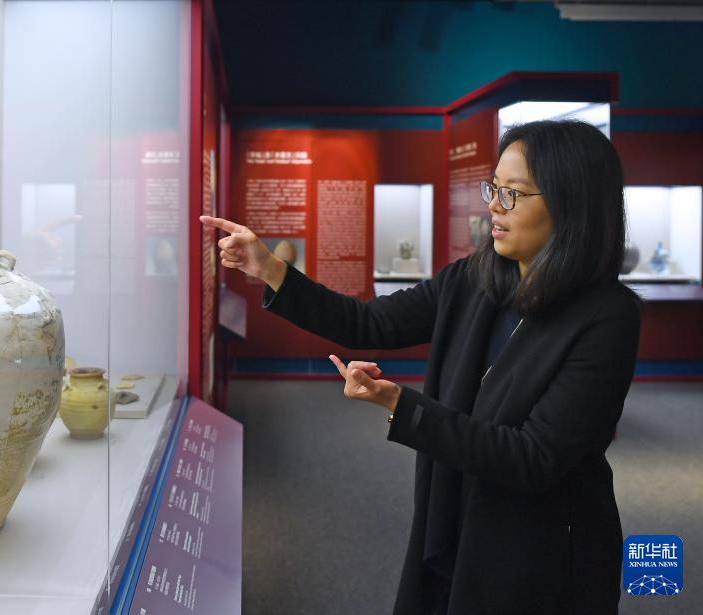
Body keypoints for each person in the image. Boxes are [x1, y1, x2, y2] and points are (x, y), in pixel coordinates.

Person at [202, 119, 640, 614]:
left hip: (542, 550)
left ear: (570, 205)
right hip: (458, 512)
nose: (494, 206)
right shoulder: (474, 280)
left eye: (513, 194)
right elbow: (369, 322)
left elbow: (531, 457)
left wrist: (402, 406)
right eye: (493, 188)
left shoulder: (607, 317)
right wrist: (270, 269)